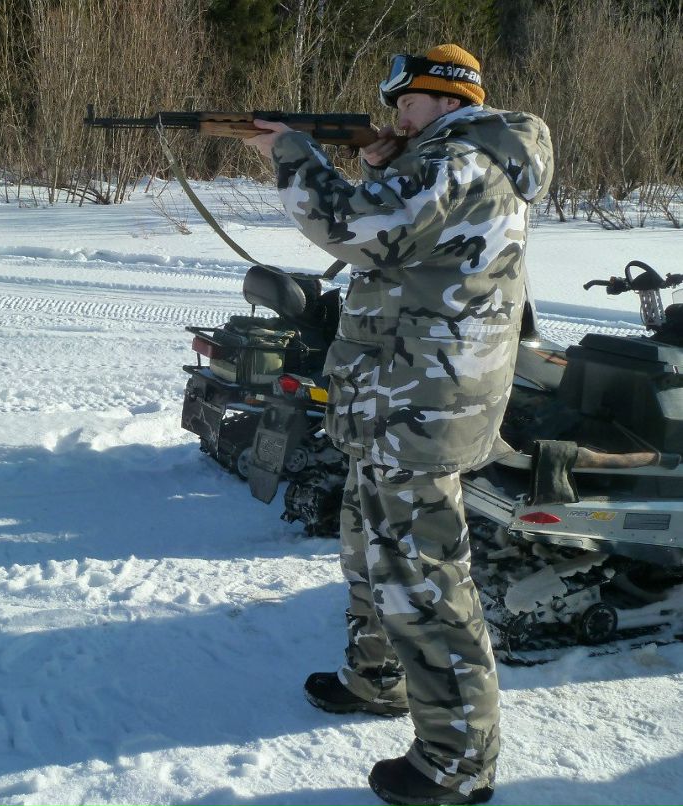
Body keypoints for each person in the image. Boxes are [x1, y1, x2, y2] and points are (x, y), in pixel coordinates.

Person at [246, 44, 553, 806]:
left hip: (421, 407)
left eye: (407, 104)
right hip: (396, 399)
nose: (398, 117)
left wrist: (290, 152)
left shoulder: (462, 161)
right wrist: (390, 160)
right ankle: (378, 676)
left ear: (448, 98)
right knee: (369, 547)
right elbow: (410, 243)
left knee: (424, 579)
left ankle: (458, 760)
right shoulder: (446, 159)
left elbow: (354, 226)